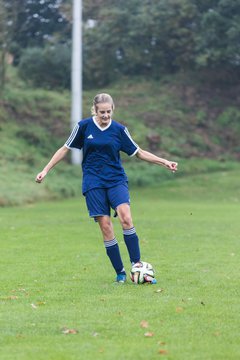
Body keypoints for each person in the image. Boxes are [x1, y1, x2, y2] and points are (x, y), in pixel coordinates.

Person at [35, 93, 178, 284]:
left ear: (113, 110)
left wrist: (164, 161)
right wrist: (46, 170)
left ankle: (137, 266)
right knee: (105, 226)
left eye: (108, 112)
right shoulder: (84, 127)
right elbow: (64, 149)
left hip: (115, 179)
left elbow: (139, 152)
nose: (105, 115)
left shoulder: (119, 130)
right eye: (102, 112)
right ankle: (120, 272)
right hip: (93, 182)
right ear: (94, 110)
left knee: (126, 217)